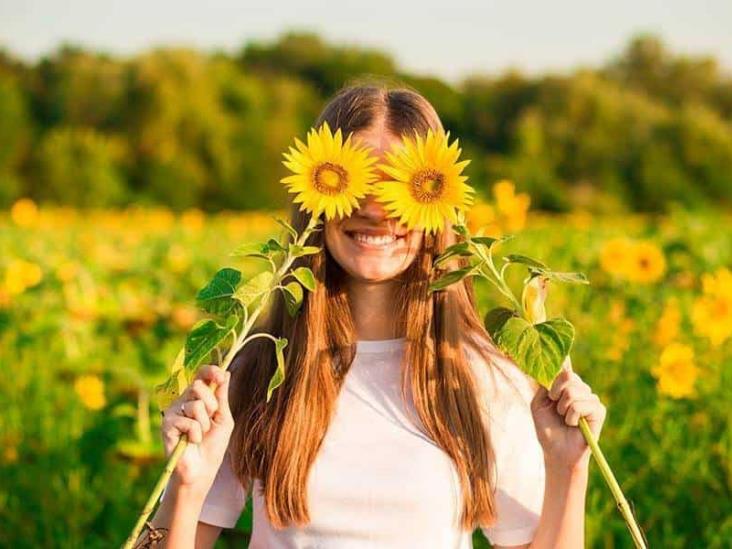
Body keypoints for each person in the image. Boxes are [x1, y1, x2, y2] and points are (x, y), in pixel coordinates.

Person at [144, 82, 607, 548]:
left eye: (401, 187)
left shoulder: (483, 379)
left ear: (437, 202)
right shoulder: (260, 367)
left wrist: (569, 467)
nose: (375, 209)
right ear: (315, 195)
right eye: (355, 181)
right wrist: (184, 487)